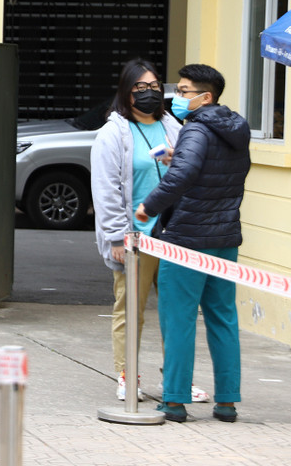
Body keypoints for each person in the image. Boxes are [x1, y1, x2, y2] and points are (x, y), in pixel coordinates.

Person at [135, 63, 251, 423]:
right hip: (224, 237)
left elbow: (184, 175)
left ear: (206, 96)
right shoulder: (237, 128)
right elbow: (215, 172)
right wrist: (177, 157)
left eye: (184, 91)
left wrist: (147, 207)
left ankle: (174, 400)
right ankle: (227, 401)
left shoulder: (197, 129)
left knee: (179, 318)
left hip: (186, 238)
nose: (176, 97)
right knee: (223, 317)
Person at [91, 59, 180, 401]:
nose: (148, 93)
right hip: (135, 237)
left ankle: (177, 378)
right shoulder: (113, 134)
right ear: (126, 93)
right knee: (130, 309)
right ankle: (128, 376)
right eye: (139, 88)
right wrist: (116, 236)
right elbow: (105, 187)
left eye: (154, 86)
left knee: (177, 312)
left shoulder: (174, 127)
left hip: (173, 234)